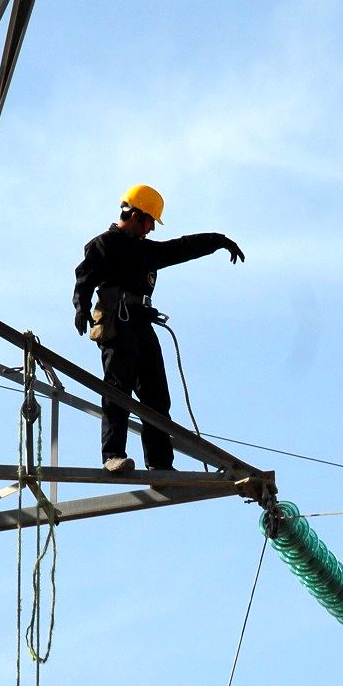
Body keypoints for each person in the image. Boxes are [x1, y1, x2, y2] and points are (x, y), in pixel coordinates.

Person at [73, 184, 244, 473]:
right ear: (136, 215)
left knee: (157, 398)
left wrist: (218, 241)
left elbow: (182, 247)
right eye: (150, 221)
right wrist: (81, 306)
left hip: (141, 324)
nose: (152, 228)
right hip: (118, 324)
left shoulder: (145, 251)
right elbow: (84, 277)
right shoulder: (105, 245)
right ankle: (113, 455)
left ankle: (160, 465)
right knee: (117, 390)